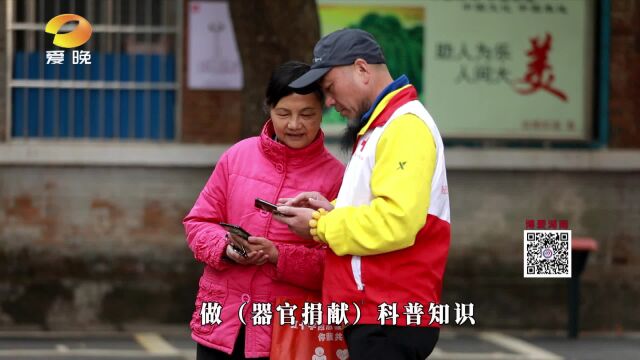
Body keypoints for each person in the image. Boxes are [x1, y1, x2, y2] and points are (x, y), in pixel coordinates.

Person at [274, 29, 451, 360]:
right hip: (378, 312)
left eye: (329, 89)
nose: (328, 102)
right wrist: (330, 209)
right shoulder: (383, 125)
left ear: (361, 69)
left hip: (387, 314)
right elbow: (380, 206)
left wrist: (319, 225)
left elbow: (395, 220)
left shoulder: (404, 126)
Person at [183, 61, 345, 360]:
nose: (294, 124)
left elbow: (338, 263)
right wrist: (226, 248)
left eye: (307, 114)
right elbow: (197, 223)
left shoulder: (337, 177)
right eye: (283, 113)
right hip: (221, 322)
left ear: (323, 110)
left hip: (288, 330)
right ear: (269, 108)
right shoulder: (237, 156)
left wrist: (278, 255)